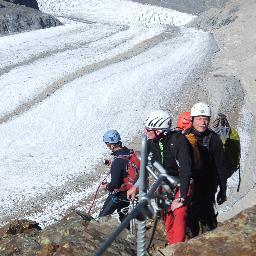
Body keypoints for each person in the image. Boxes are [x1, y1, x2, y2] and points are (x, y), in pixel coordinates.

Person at [128, 110, 192, 245]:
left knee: (180, 210)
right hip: (164, 183)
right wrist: (136, 186)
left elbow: (185, 170)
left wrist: (182, 197)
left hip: (182, 182)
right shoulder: (152, 143)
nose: (146, 132)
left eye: (148, 129)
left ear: (159, 130)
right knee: (166, 214)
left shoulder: (179, 141)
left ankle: (177, 249)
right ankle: (171, 245)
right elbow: (146, 166)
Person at [185, 102, 228, 237]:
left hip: (207, 187)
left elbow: (221, 166)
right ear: (192, 120)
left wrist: (223, 189)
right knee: (191, 220)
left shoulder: (214, 139)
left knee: (206, 220)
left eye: (206, 119)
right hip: (190, 187)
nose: (203, 122)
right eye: (199, 119)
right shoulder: (183, 137)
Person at [99, 129, 134, 228]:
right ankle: (131, 236)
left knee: (102, 219)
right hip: (132, 191)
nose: (108, 147)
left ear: (112, 145)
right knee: (124, 216)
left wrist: (106, 186)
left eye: (108, 145)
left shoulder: (118, 161)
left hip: (120, 194)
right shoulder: (131, 153)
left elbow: (114, 184)